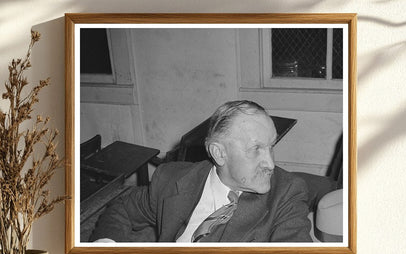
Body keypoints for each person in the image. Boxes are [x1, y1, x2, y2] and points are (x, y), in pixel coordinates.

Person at [90, 100, 312, 243]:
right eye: (256, 149)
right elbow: (122, 208)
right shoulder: (171, 179)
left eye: (271, 146)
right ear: (219, 153)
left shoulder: (287, 193)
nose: (271, 164)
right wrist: (105, 248)